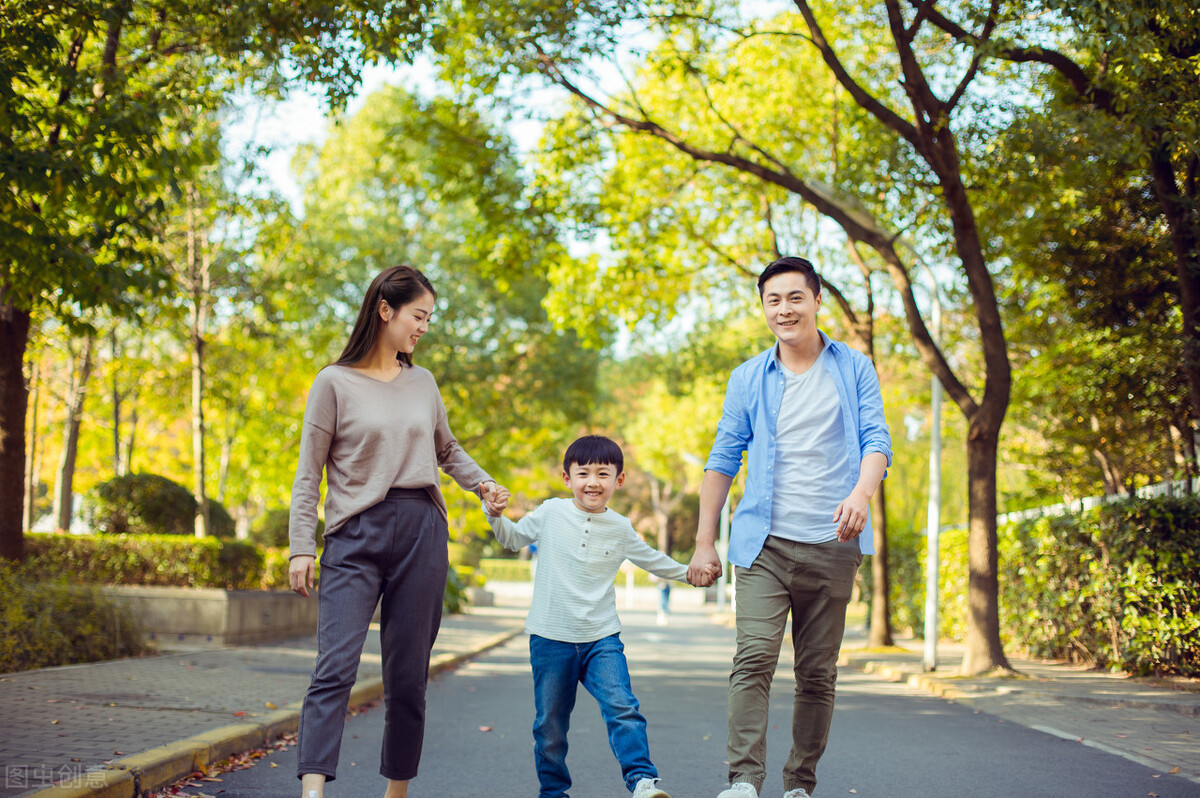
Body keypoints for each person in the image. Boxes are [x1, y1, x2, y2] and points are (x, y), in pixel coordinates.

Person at [287, 264, 505, 798]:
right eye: (419, 315)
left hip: (420, 533)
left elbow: (446, 448)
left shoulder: (422, 382)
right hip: (353, 537)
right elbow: (309, 473)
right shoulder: (332, 382)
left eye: (429, 318)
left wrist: (483, 485)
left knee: (407, 677)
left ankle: (396, 792)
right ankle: (313, 789)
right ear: (385, 310)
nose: (424, 327)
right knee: (334, 669)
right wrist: (300, 547)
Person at [687, 257, 892, 798]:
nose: (784, 309)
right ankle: (743, 781)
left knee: (817, 674)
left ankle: (799, 783)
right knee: (753, 658)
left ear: (817, 300)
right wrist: (705, 541)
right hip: (764, 546)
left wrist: (860, 495)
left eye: (795, 298)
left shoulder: (853, 367)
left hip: (834, 543)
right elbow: (723, 459)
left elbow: (877, 441)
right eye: (773, 300)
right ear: (763, 307)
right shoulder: (748, 377)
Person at [484, 435, 717, 798]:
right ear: (567, 478)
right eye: (583, 473)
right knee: (550, 726)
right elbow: (512, 539)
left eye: (603, 474)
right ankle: (553, 792)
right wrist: (494, 515)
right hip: (550, 637)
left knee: (623, 706)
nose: (593, 482)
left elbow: (651, 558)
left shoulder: (621, 527)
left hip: (601, 638)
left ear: (618, 480)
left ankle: (642, 781)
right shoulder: (551, 513)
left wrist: (690, 573)